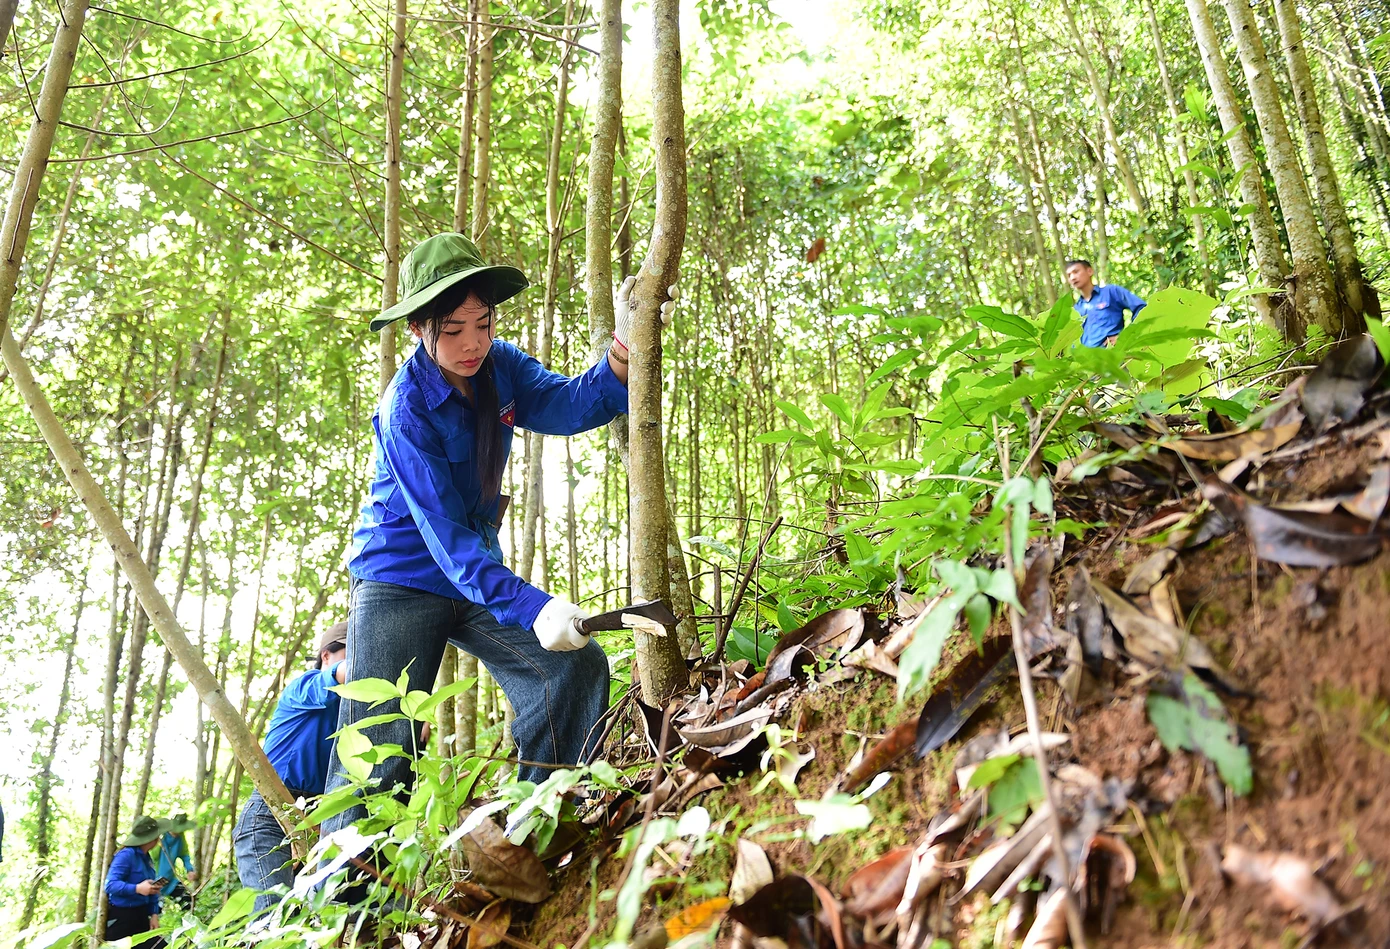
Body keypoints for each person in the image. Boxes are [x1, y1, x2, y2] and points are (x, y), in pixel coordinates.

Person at [322, 233, 669, 844]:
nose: (472, 342)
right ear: (417, 331)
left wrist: (627, 341)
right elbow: (445, 536)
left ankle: (538, 827)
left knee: (572, 667)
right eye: (453, 329)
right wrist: (535, 607)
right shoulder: (404, 409)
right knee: (380, 750)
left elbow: (566, 406)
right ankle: (341, 911)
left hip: (475, 574)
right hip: (398, 582)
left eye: (481, 323)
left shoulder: (500, 367)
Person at [232, 622, 347, 913]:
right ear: (326, 656)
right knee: (271, 916)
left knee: (310, 919)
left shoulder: (348, 710)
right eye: (352, 652)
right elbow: (345, 675)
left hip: (315, 819)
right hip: (269, 814)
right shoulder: (306, 685)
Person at [104, 815, 169, 945]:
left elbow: (150, 890)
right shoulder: (126, 855)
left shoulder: (146, 858)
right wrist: (138, 888)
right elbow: (110, 885)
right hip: (122, 919)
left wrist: (154, 914)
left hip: (141, 916)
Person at [1065, 258, 1146, 348]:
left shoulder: (1111, 292)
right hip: (1086, 360)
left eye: (1076, 272)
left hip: (1112, 356)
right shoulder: (1076, 309)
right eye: (1069, 275)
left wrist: (1127, 337)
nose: (1072, 277)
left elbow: (1141, 308)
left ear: (1089, 271)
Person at [156, 813, 198, 910]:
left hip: (171, 879)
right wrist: (158, 845)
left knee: (188, 901)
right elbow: (153, 858)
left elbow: (184, 855)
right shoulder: (161, 838)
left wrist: (189, 870)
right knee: (156, 910)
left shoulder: (180, 838)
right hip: (156, 879)